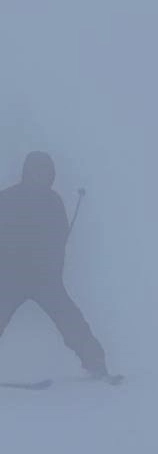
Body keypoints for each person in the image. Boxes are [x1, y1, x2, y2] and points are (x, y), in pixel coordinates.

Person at [0, 151, 112, 379]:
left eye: (45, 172)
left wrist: (54, 268)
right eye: (36, 171)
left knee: (69, 317)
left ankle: (95, 361)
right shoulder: (8, 198)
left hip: (44, 278)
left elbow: (59, 239)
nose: (40, 176)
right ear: (26, 172)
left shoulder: (54, 201)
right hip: (11, 276)